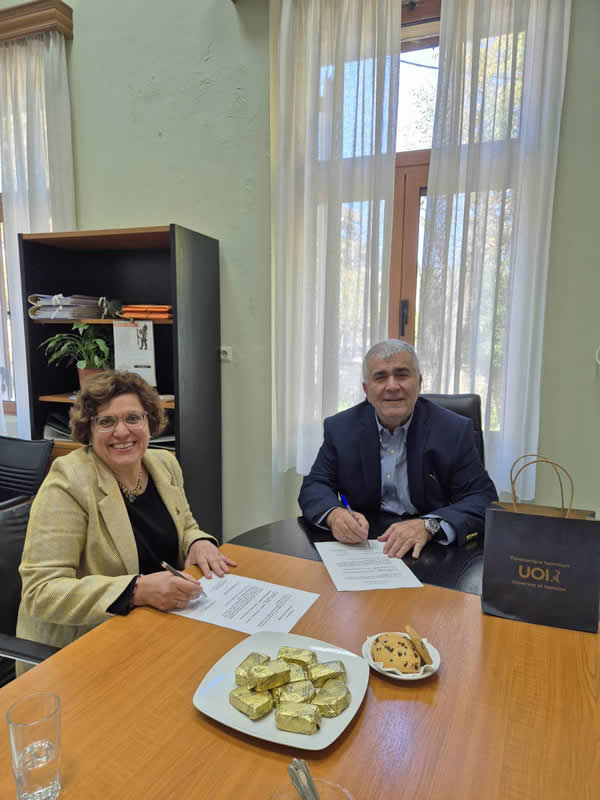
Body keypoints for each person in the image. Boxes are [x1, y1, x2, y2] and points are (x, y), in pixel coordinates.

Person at [17, 370, 236, 658]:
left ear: (149, 422)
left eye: (133, 418)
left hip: (158, 623)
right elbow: (41, 592)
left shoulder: (164, 464)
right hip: (85, 644)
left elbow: (185, 525)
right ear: (88, 430)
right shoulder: (68, 483)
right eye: (106, 421)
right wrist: (135, 590)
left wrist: (198, 542)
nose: (122, 432)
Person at [299, 340, 498, 559]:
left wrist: (429, 525)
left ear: (419, 383)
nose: (392, 386)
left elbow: (482, 497)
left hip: (431, 549)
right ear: (366, 389)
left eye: (402, 375)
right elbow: (315, 485)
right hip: (363, 544)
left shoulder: (453, 430)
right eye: (380, 377)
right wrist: (335, 515)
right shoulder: (340, 428)